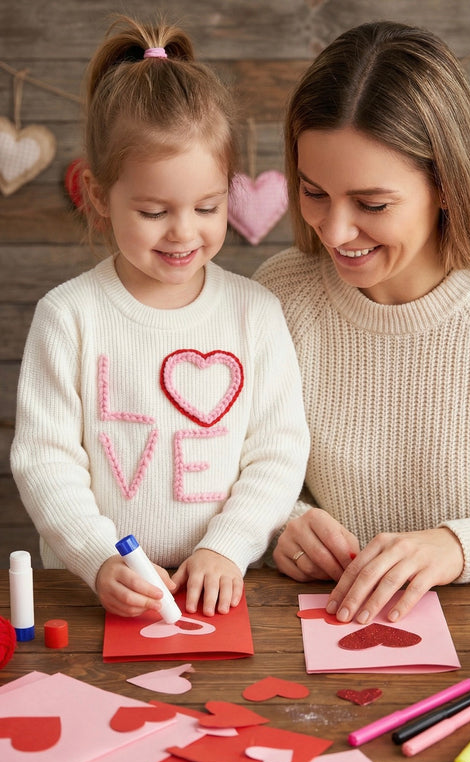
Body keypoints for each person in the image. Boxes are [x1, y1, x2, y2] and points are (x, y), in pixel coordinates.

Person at [10, 15, 309, 619]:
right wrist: (99, 558)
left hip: (222, 591)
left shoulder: (255, 313)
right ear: (99, 195)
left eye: (208, 207)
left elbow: (277, 454)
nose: (183, 233)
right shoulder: (68, 316)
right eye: (153, 212)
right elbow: (45, 461)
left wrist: (226, 548)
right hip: (96, 596)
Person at [253, 20, 470, 627]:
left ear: (448, 187)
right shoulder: (278, 296)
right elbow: (227, 473)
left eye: (372, 204)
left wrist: (458, 547)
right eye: (314, 192)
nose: (334, 231)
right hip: (317, 638)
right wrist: (279, 524)